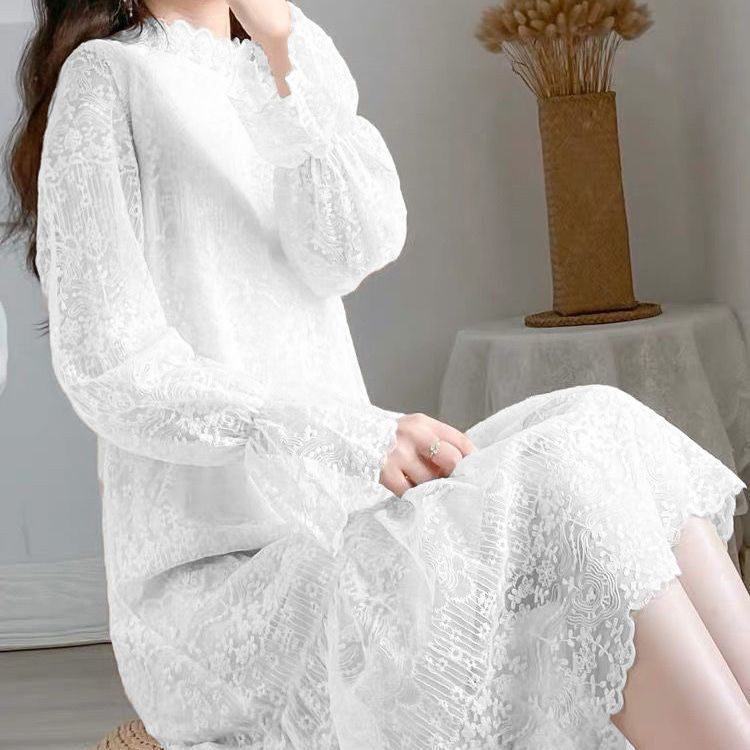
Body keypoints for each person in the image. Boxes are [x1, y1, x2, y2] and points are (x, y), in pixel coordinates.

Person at [4, 1, 750, 747]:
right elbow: (113, 368)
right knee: (558, 470)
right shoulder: (106, 78)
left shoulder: (279, 67)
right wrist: (352, 437)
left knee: (603, 424)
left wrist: (281, 48)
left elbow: (356, 246)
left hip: (342, 520)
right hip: (222, 588)